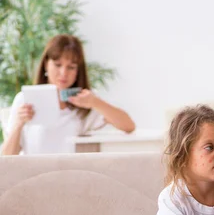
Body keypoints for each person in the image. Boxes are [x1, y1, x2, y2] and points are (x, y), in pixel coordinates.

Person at [2, 34, 135, 155]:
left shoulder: (85, 102)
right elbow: (6, 159)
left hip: (72, 175)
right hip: (34, 176)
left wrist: (95, 102)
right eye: (57, 65)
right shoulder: (25, 99)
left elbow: (128, 126)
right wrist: (19, 124)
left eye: (71, 67)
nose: (63, 73)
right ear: (46, 65)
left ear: (78, 71)